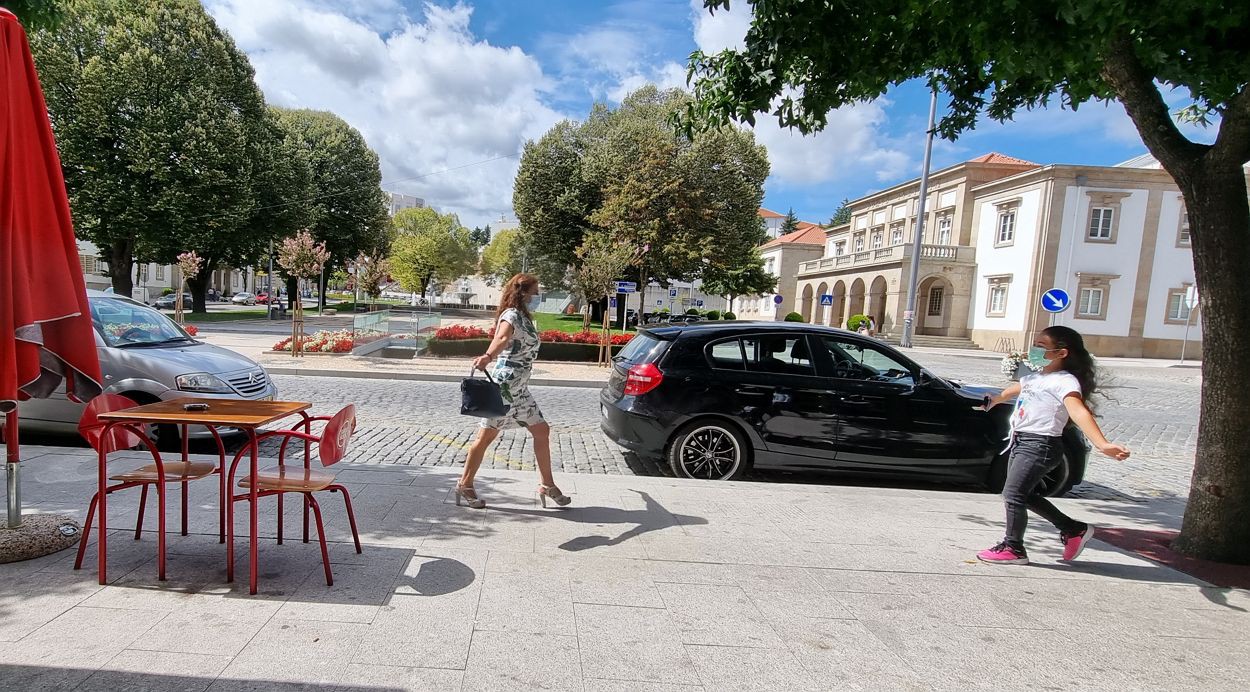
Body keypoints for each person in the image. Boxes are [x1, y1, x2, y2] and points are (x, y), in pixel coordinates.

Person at [977, 326, 1130, 565]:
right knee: (1022, 494)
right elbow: (1014, 389)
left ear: (1062, 353)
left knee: (1013, 494)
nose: (1034, 350)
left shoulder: (1065, 382)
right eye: (1034, 344)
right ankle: (1073, 530)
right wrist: (995, 399)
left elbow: (1079, 412)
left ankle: (1013, 547)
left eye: (1041, 346)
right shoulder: (1035, 377)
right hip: (1021, 441)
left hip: (1041, 444)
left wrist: (1102, 444)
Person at [455, 273, 571, 510]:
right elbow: (502, 337)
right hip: (505, 387)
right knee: (486, 437)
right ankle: (464, 484)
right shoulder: (511, 315)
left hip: (519, 388)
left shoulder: (524, 318)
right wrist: (488, 356)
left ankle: (547, 485)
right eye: (535, 291)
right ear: (524, 292)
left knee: (541, 430)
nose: (538, 296)